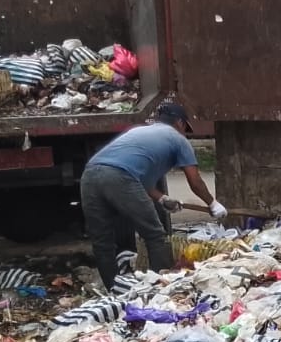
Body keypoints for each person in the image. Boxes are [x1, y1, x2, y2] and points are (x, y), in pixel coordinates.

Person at [80, 103, 226, 289]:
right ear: (180, 123)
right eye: (185, 129)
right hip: (119, 176)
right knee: (155, 234)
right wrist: (213, 204)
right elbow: (195, 181)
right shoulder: (178, 139)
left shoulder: (138, 132)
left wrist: (162, 199)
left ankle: (113, 290)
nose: (185, 133)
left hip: (90, 175)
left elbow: (138, 179)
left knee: (102, 241)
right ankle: (162, 288)